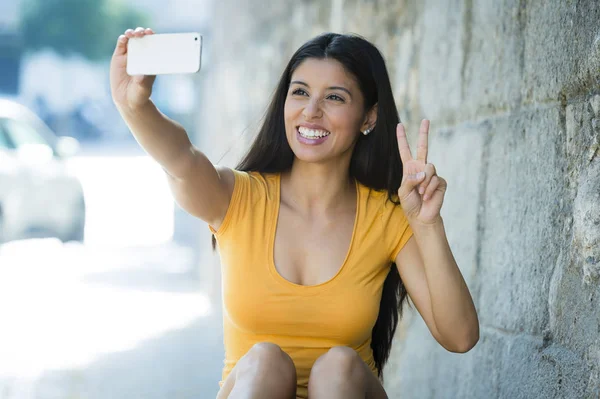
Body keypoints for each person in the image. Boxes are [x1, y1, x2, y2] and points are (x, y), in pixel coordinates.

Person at [110, 27, 480, 399]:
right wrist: (135, 106)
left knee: (340, 366)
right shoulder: (237, 198)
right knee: (265, 361)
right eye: (300, 92)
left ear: (369, 117)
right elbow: (180, 160)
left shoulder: (386, 217)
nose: (311, 111)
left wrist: (427, 224)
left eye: (334, 97)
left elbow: (460, 336)